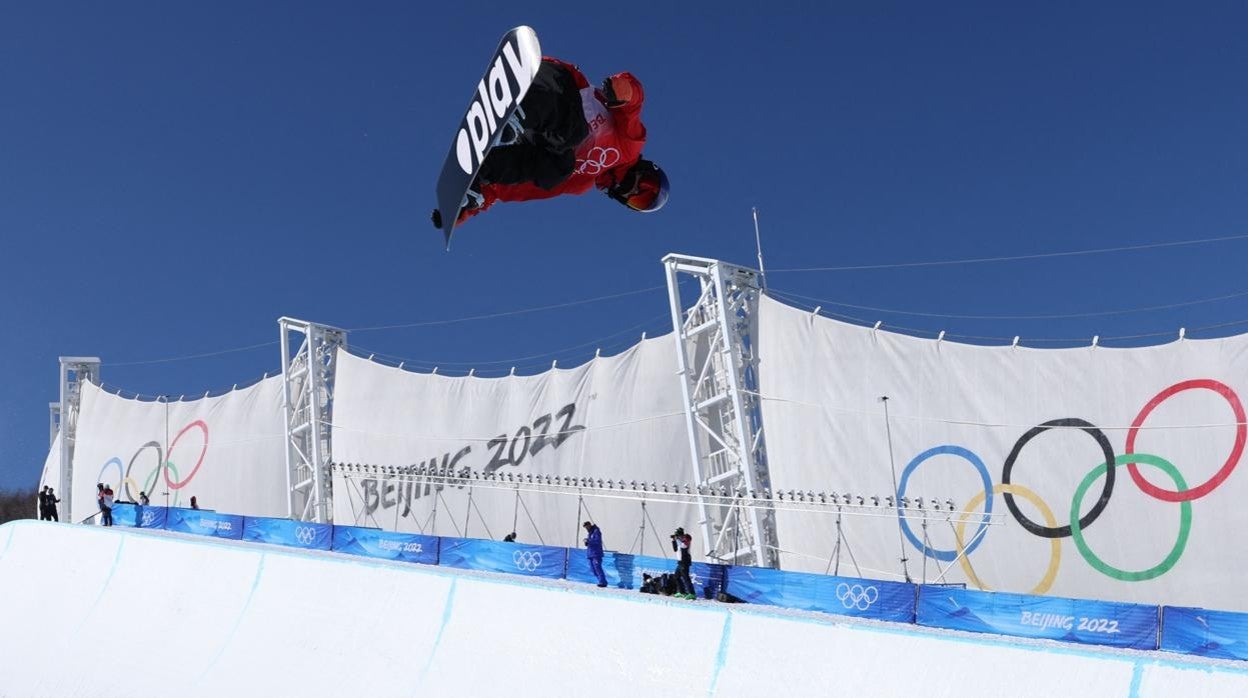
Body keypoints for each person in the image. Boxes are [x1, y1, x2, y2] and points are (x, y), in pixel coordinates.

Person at [431, 57, 669, 229]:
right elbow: (632, 106)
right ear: (646, 170)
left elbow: (519, 188)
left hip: (536, 132)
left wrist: (465, 205)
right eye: (646, 186)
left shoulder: (581, 183)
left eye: (638, 201)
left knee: (555, 171)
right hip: (556, 85)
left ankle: (478, 176)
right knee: (574, 134)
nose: (634, 191)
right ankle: (519, 108)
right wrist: (624, 91)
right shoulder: (630, 145)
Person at [670, 527, 695, 599]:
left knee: (686, 578)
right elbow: (675, 549)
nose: (677, 536)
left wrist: (677, 539)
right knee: (676, 577)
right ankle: (682, 592)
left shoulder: (686, 538)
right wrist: (674, 540)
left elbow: (684, 546)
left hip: (685, 562)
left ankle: (692, 593)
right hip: (680, 562)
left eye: (677, 535)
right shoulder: (678, 540)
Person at [583, 520, 608, 588]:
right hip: (591, 553)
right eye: (585, 527)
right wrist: (587, 542)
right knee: (593, 569)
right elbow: (591, 542)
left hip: (596, 553)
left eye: (587, 526)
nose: (586, 528)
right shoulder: (590, 533)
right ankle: (600, 581)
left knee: (597, 568)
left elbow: (597, 541)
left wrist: (589, 541)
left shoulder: (596, 531)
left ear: (589, 525)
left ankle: (603, 582)